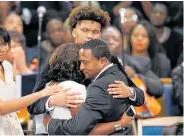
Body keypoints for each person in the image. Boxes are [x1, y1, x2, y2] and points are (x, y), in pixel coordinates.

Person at [29, 6, 144, 135]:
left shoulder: (108, 59)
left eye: (95, 32)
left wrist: (129, 91)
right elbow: (32, 104)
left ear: (100, 35)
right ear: (74, 32)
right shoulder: (58, 58)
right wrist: (52, 101)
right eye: (85, 30)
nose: (90, 36)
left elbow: (139, 97)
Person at [0, 21, 61, 135]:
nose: (3, 49)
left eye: (5, 43)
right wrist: (41, 94)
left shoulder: (7, 66)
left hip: (13, 128)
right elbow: (1, 107)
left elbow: (17, 100)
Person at [44, 39, 133, 135]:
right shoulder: (75, 89)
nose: (82, 67)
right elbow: (84, 131)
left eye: (84, 62)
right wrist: (120, 124)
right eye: (81, 62)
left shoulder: (48, 86)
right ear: (75, 65)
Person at [103, 26, 163, 98]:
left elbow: (158, 88)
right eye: (106, 39)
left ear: (123, 42)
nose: (111, 42)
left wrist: (134, 76)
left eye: (115, 39)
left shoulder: (140, 63)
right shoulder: (88, 64)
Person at [149, 2, 183, 69]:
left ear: (168, 18)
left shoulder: (177, 38)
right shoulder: (142, 34)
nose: (157, 15)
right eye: (154, 12)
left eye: (161, 13)